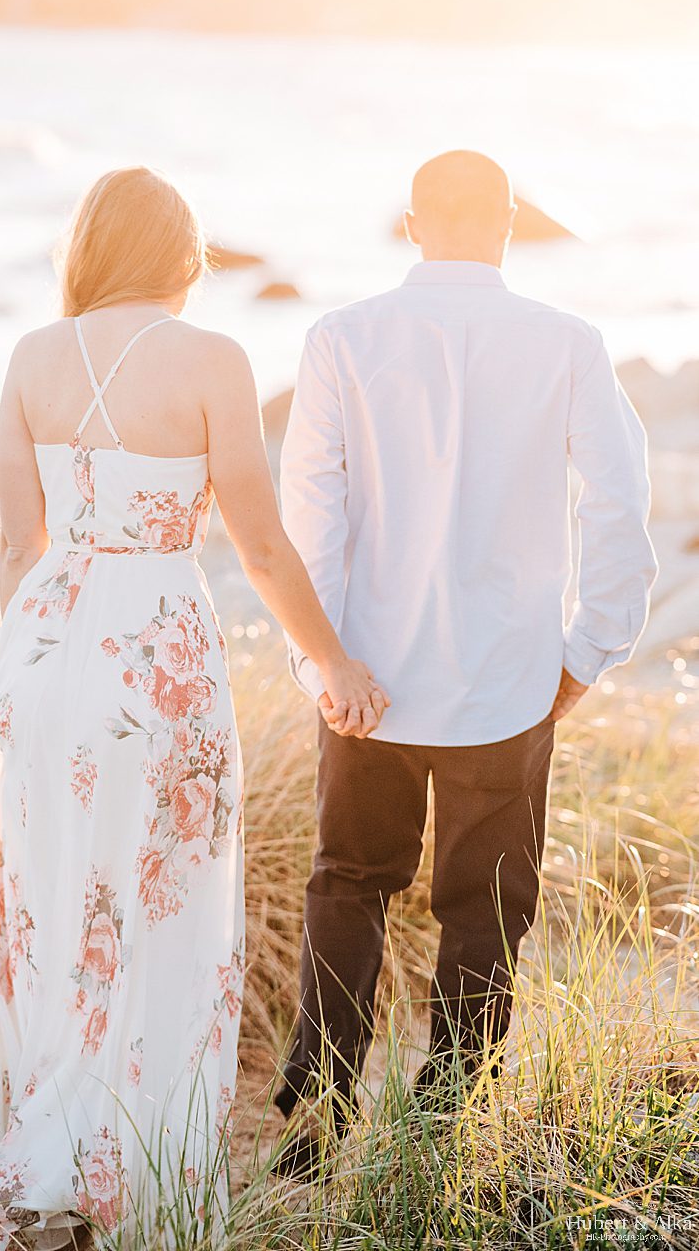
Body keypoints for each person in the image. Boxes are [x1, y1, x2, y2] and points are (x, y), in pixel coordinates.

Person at [0, 166, 386, 1249]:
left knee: (52, 905)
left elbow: (18, 544)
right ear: (181, 256)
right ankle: (122, 1183)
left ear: (89, 249)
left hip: (46, 651)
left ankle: (42, 1162)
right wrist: (332, 661)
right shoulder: (211, 359)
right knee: (159, 910)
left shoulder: (30, 357)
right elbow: (259, 543)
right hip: (155, 654)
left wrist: (22, 671)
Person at [275, 149, 658, 1154]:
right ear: (508, 222)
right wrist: (585, 654)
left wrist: (320, 666)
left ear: (409, 226)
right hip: (507, 679)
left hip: (365, 680)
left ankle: (316, 1115)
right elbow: (620, 505)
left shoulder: (339, 339)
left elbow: (306, 521)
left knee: (349, 882)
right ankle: (446, 1128)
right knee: (486, 906)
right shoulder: (567, 343)